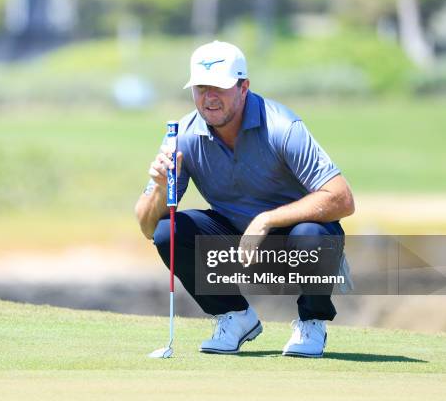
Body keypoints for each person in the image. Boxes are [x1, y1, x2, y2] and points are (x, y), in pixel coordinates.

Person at [134, 41, 355, 358]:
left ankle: (312, 322)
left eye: (220, 88)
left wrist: (266, 220)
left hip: (295, 242)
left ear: (243, 87)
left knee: (312, 236)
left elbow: (343, 199)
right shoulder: (182, 134)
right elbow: (147, 228)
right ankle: (235, 318)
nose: (209, 97)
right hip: (236, 245)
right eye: (201, 87)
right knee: (168, 231)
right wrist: (157, 186)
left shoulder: (283, 127)